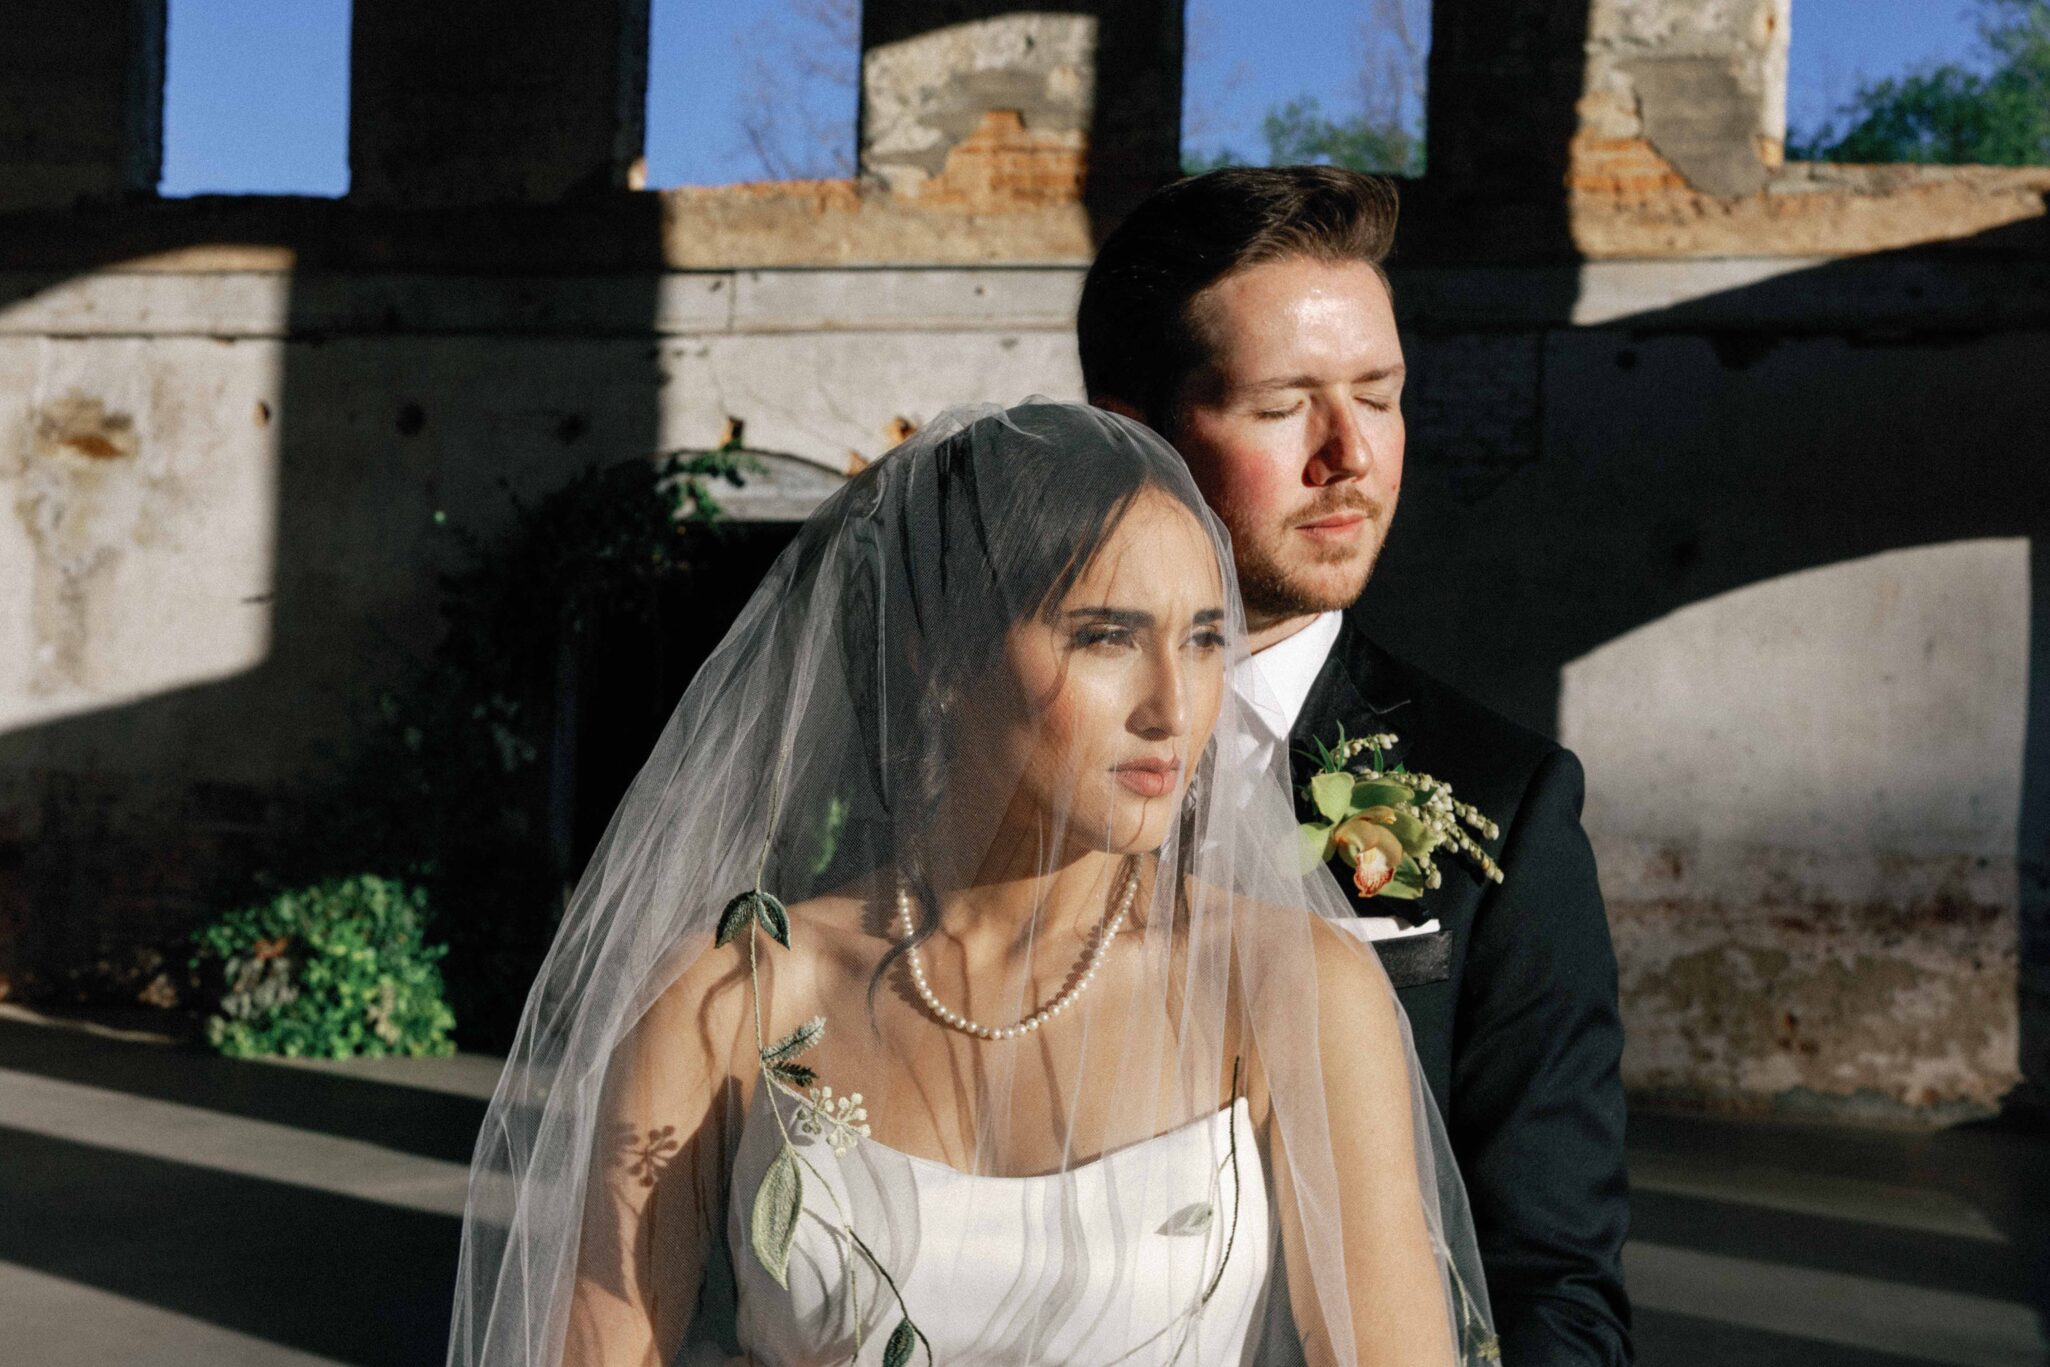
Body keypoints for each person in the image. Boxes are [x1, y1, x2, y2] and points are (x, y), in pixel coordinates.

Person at [447, 401, 1497, 1366]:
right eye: (1106, 636)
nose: (1174, 706)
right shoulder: (731, 995)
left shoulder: (1289, 987)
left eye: (1203, 639)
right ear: (939, 651)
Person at [1079, 167, 1633, 1366]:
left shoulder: (1503, 798)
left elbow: (1553, 1280)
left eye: (1379, 396)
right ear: (1133, 438)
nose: (1351, 455)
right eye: (1284, 407)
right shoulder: (990, 763)